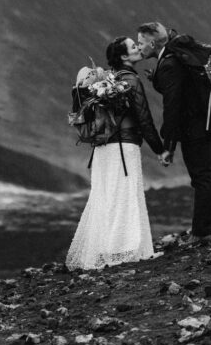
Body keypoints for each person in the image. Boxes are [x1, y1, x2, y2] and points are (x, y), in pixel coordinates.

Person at [66, 36, 172, 270]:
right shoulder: (130, 80)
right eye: (133, 47)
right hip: (124, 146)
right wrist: (160, 148)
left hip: (103, 147)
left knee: (106, 194)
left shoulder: (106, 81)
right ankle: (125, 250)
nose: (138, 48)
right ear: (124, 56)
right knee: (126, 193)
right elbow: (143, 117)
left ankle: (107, 249)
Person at [137, 21, 211, 243]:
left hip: (196, 128)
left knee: (201, 177)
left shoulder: (169, 65)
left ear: (151, 43)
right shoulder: (180, 55)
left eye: (140, 42)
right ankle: (210, 228)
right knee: (208, 174)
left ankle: (202, 233)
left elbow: (173, 107)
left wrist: (168, 145)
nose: (139, 47)